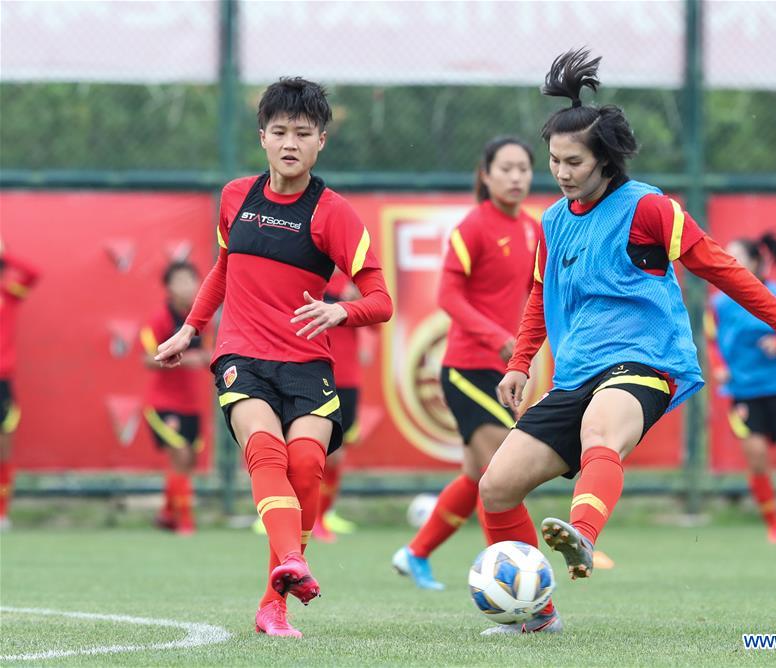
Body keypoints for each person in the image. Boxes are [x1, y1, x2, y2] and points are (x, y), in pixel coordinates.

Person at [477, 49, 776, 634]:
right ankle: (536, 616)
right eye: (555, 161)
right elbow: (538, 299)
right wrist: (521, 362)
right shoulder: (552, 221)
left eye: (574, 162)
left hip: (644, 363)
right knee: (495, 487)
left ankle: (584, 537)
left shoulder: (649, 208)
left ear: (605, 161)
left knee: (603, 431)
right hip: (575, 373)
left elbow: (721, 268)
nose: (562, 172)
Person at [154, 77, 392, 639]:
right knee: (265, 450)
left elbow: (381, 300)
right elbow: (222, 268)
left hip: (308, 364)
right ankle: (295, 562)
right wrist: (191, 329)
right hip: (243, 355)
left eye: (302, 133)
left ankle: (273, 603)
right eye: (280, 131)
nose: (290, 142)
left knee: (307, 463)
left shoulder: (334, 214)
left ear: (321, 143)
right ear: (262, 136)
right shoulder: (236, 196)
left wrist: (341, 313)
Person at [391, 136, 539, 590]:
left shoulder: (535, 229)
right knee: (506, 470)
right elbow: (447, 297)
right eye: (506, 169)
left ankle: (415, 553)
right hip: (467, 369)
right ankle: (520, 569)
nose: (515, 177)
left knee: (480, 475)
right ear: (485, 174)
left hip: (504, 370)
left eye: (523, 169)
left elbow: (539, 296)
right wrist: (499, 338)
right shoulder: (473, 227)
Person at [707, 233, 776, 544]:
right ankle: (773, 524)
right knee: (756, 458)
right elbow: (712, 340)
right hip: (744, 390)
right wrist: (719, 367)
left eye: (737, 256)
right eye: (726, 255)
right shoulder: (719, 303)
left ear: (754, 262)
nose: (729, 260)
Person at [141, 260, 209, 536]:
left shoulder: (201, 318)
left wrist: (207, 358)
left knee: (189, 461)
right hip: (164, 403)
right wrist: (182, 358)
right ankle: (186, 522)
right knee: (179, 456)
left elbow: (210, 351)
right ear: (168, 288)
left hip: (193, 403)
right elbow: (147, 358)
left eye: (191, 280)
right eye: (179, 281)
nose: (187, 286)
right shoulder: (160, 319)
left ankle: (167, 514)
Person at [310, 268, 366, 543]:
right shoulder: (309, 276)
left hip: (348, 378)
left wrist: (355, 304)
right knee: (312, 450)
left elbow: (376, 319)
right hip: (316, 372)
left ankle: (323, 515)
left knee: (337, 454)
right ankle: (307, 516)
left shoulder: (352, 282)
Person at [0, 241, 40, 531]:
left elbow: (33, 273)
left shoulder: (7, 293)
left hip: (2, 381)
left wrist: (5, 254)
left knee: (3, 446)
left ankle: (1, 513)